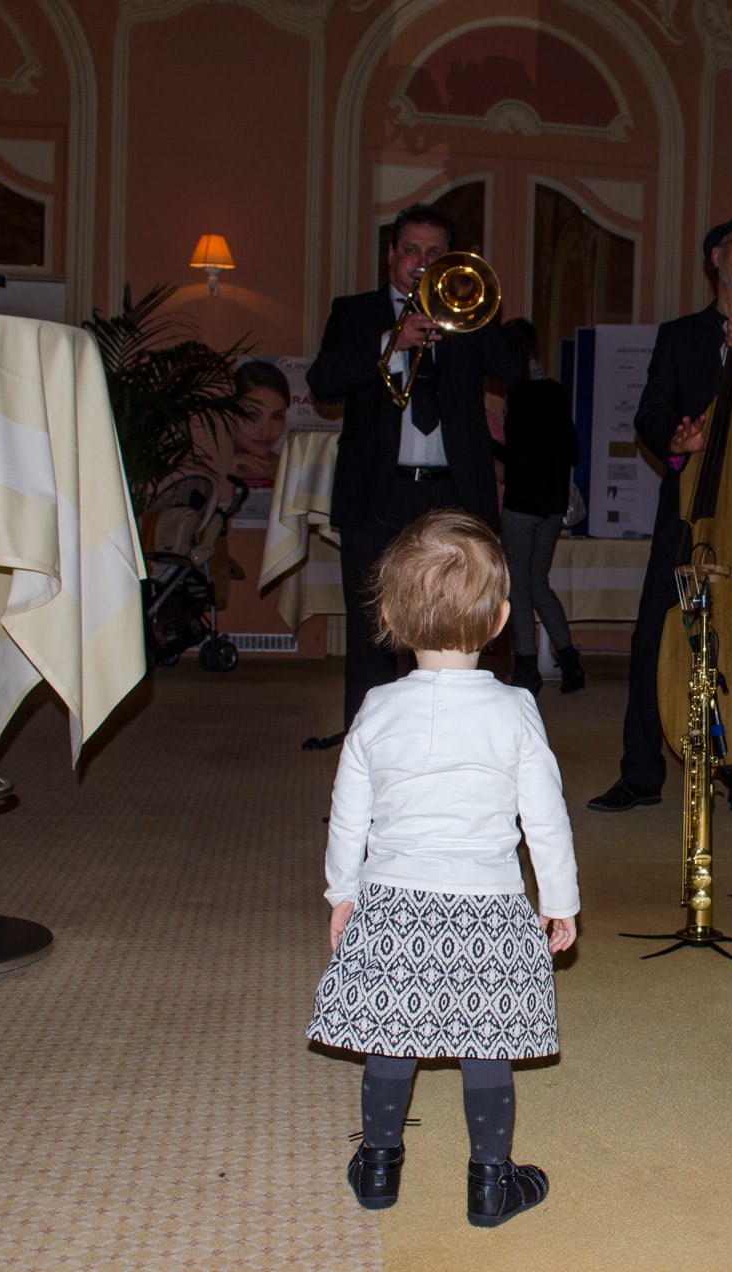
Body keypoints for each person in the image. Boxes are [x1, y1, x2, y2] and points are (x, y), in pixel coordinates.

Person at [306, 508, 579, 1229]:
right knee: (482, 1046)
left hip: (394, 905)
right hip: (485, 907)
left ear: (391, 615)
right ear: (499, 621)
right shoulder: (515, 711)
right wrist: (559, 900)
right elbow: (544, 819)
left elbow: (347, 814)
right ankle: (490, 1184)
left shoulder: (377, 707)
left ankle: (377, 1170)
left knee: (391, 1042)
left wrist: (342, 893)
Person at [585, 209, 732, 815]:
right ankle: (640, 773)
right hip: (692, 508)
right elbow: (651, 414)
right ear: (717, 258)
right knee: (656, 634)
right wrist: (677, 439)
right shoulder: (681, 334)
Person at [307, 204, 522, 735]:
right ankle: (369, 766)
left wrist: (469, 317)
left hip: (452, 495)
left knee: (460, 634)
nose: (421, 263)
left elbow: (512, 367)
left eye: (434, 253)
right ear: (391, 255)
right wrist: (391, 342)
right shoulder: (355, 312)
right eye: (411, 251)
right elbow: (323, 379)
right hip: (376, 498)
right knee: (372, 639)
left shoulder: (465, 311)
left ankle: (455, 753)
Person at [495, 317, 585, 696]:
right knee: (539, 584)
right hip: (552, 504)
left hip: (521, 503)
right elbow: (571, 450)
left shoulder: (516, 396)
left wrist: (487, 447)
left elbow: (517, 455)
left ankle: (527, 669)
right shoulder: (557, 392)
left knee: (518, 587)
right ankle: (569, 661)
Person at [230, 359, 291, 487]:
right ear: (231, 413)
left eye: (276, 416)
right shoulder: (208, 464)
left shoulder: (291, 469)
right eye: (253, 415)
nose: (266, 431)